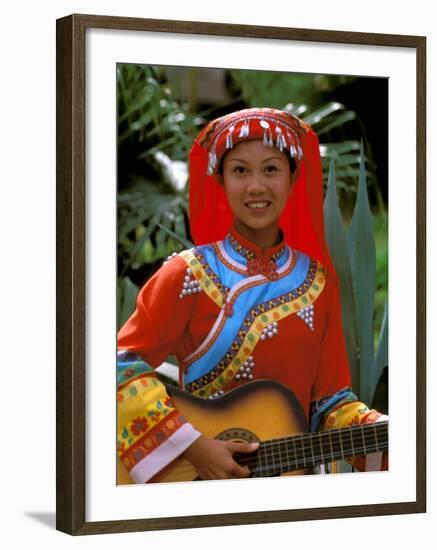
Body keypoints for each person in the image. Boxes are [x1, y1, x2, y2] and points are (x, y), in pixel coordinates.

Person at [117, 107, 387, 483]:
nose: (256, 186)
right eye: (240, 170)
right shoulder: (185, 275)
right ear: (221, 180)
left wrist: (385, 432)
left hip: (296, 484)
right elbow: (116, 367)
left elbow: (330, 404)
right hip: (202, 486)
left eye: (271, 169)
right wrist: (191, 446)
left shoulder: (318, 283)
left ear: (294, 179)